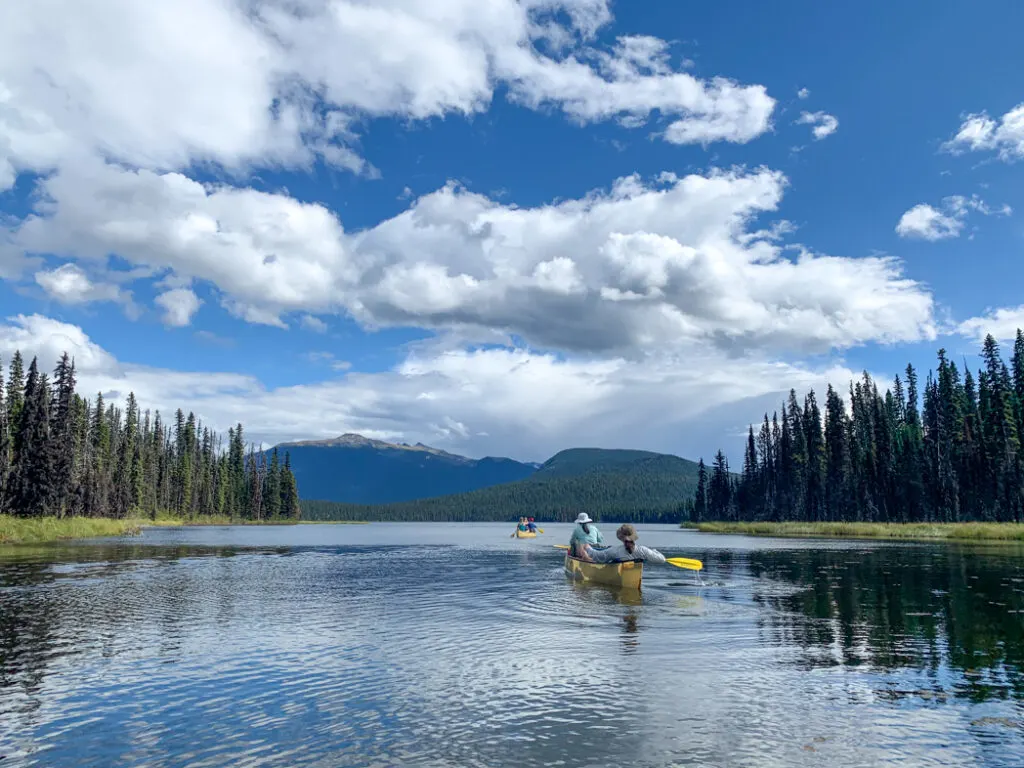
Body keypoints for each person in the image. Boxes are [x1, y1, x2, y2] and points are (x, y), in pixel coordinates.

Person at [584, 524, 666, 564]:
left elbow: (597, 556)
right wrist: (654, 551)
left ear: (621, 539)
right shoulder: (643, 551)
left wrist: (588, 548)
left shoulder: (615, 551)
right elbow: (662, 559)